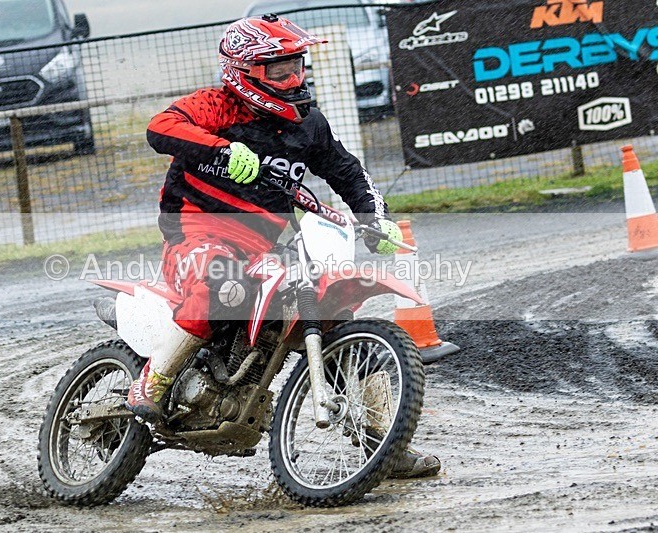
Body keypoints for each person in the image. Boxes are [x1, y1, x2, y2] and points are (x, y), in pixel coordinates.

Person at [126, 14, 440, 478]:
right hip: (197, 230)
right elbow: (161, 127)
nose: (294, 78)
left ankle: (383, 444)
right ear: (244, 73)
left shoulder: (308, 124)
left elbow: (348, 172)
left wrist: (377, 222)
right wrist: (220, 150)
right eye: (279, 71)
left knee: (336, 314)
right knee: (219, 284)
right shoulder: (217, 105)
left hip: (268, 241)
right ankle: (151, 382)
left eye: (298, 66)